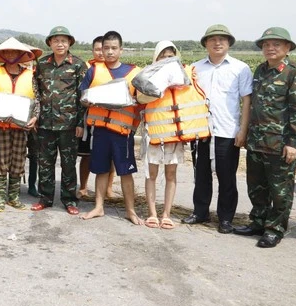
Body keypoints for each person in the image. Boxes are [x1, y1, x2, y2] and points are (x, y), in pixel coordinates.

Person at [234, 27, 296, 247]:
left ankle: (274, 228)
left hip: (281, 144)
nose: (270, 48)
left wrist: (294, 144)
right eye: (266, 45)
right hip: (257, 141)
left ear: (287, 48)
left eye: (276, 44)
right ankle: (258, 221)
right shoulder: (260, 71)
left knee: (280, 190)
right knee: (256, 186)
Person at [184, 25, 253, 234]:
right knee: (201, 174)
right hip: (201, 130)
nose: (217, 43)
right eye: (212, 39)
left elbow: (246, 101)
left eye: (222, 39)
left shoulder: (240, 68)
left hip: (227, 131)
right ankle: (200, 212)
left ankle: (225, 218)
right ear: (205, 43)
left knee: (227, 177)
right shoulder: (195, 69)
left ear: (229, 43)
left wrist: (243, 130)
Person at [139, 41, 210, 230]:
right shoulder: (148, 77)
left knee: (171, 175)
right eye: (163, 56)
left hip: (175, 135)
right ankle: (152, 213)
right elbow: (141, 98)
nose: (167, 60)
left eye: (171, 56)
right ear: (156, 58)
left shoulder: (186, 76)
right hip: (155, 133)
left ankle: (166, 214)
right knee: (151, 175)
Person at [79, 30, 142, 224]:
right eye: (106, 48)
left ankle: (130, 210)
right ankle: (98, 207)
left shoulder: (134, 73)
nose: (110, 52)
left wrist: (134, 127)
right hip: (100, 130)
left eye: (114, 48)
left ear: (121, 50)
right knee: (101, 170)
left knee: (126, 171)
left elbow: (142, 101)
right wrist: (87, 101)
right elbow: (82, 96)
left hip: (122, 131)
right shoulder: (93, 71)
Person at [32, 26, 87, 214]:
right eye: (56, 41)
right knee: (45, 163)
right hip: (45, 123)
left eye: (64, 40)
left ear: (69, 43)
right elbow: (36, 92)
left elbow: (83, 96)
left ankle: (69, 199)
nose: (60, 44)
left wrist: (81, 123)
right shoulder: (42, 64)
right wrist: (35, 115)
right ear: (50, 43)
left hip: (69, 124)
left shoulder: (78, 65)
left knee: (69, 164)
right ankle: (45, 198)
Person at [0, 37, 39, 212]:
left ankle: (14, 197)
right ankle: (1, 198)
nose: (10, 54)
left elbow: (37, 99)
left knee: (18, 160)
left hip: (21, 126)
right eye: (7, 51)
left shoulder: (30, 74)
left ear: (20, 54)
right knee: (0, 160)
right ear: (1, 54)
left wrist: (35, 117)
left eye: (14, 52)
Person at [77, 36, 115, 199]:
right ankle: (83, 187)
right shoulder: (87, 69)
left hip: (110, 118)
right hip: (89, 117)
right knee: (86, 155)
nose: (101, 53)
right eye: (98, 49)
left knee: (110, 155)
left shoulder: (114, 69)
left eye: (103, 49)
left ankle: (108, 189)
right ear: (93, 51)